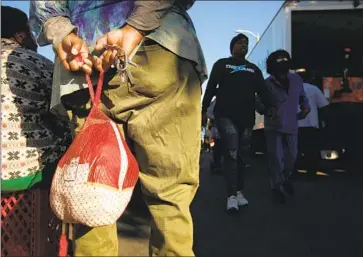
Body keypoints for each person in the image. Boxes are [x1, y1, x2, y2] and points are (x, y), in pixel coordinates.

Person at [29, 1, 207, 256]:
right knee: (170, 194)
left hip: (84, 56)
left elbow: (46, 5)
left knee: (89, 193)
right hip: (160, 47)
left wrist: (63, 34)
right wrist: (135, 27)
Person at [201, 33, 274, 213]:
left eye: (246, 43)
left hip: (247, 118)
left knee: (242, 155)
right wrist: (202, 109)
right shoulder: (222, 64)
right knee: (232, 153)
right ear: (232, 46)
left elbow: (263, 90)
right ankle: (231, 196)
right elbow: (210, 88)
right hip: (226, 116)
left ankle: (239, 191)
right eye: (240, 42)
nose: (244, 45)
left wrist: (270, 106)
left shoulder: (253, 69)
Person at [1, 6, 70, 190]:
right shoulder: (35, 61)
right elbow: (64, 110)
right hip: (21, 174)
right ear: (20, 36)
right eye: (30, 31)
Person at [263, 50, 310, 203]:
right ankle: (277, 187)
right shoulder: (267, 83)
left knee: (292, 156)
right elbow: (258, 101)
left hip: (291, 124)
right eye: (279, 60)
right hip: (273, 126)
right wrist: (266, 110)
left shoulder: (297, 80)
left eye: (285, 59)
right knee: (276, 158)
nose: (283, 62)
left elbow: (303, 97)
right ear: (272, 64)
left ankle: (284, 179)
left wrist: (305, 107)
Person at [297, 70, 329, 174]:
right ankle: (311, 172)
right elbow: (324, 106)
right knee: (311, 150)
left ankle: (293, 172)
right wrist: (323, 121)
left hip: (293, 124)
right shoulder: (313, 89)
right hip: (310, 124)